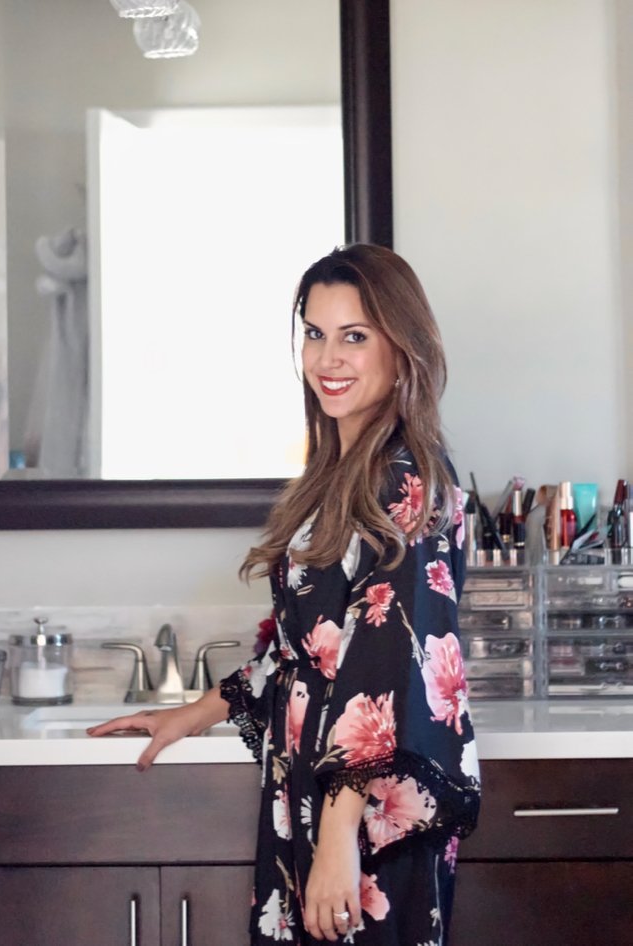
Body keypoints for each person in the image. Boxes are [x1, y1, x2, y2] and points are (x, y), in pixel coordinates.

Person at [88, 243, 480, 945]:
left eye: (355, 337)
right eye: (315, 333)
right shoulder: (342, 473)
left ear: (403, 348)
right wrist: (194, 714)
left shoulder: (405, 480)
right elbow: (309, 649)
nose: (328, 358)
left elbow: (383, 669)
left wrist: (337, 842)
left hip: (364, 819)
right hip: (316, 797)